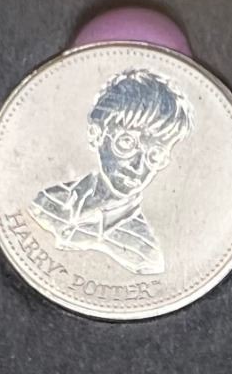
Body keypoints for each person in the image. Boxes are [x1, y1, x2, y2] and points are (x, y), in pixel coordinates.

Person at [29, 68, 193, 276]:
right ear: (96, 135)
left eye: (155, 154)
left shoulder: (144, 255)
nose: (138, 166)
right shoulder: (45, 201)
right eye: (126, 143)